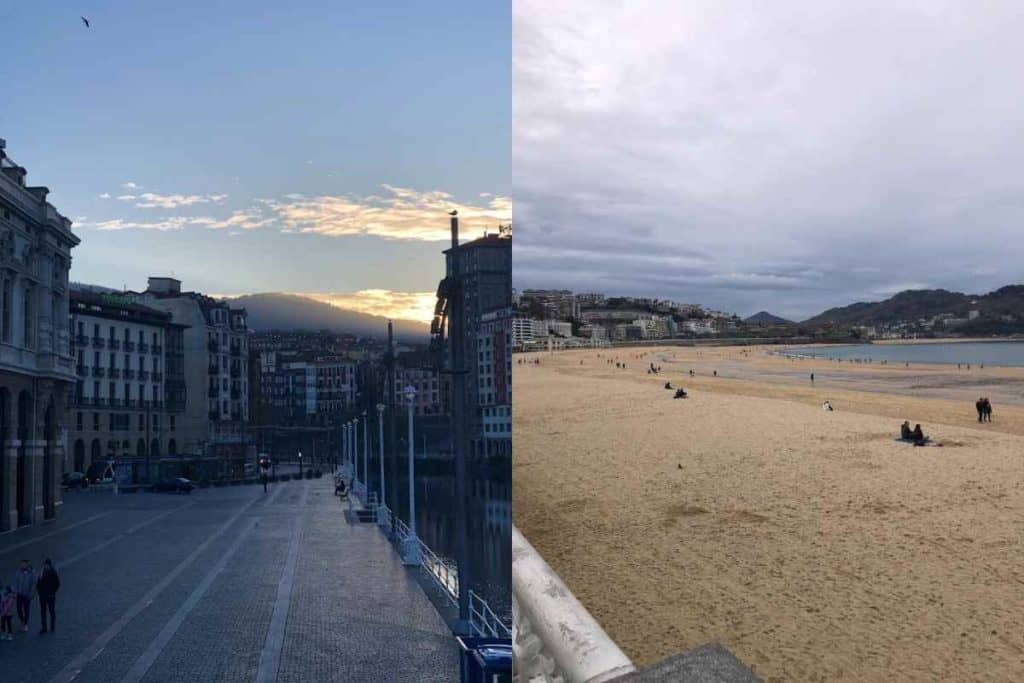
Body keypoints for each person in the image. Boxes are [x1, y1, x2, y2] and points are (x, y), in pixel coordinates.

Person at [35, 559, 59, 634]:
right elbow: (38, 583)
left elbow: (57, 583)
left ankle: (52, 627)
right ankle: (44, 628)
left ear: (49, 565)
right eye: (45, 565)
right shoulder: (42, 572)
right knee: (43, 612)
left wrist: (53, 592)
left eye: (46, 565)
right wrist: (39, 592)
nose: (45, 566)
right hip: (43, 595)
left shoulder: (53, 572)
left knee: (51, 611)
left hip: (50, 595)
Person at [13, 560, 34, 633]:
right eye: (22, 564)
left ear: (27, 565)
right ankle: (22, 621)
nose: (23, 566)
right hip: (19, 594)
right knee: (19, 609)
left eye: (24, 564)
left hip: (27, 595)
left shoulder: (31, 573)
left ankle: (25, 624)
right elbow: (15, 583)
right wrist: (15, 593)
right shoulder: (18, 572)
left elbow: (33, 584)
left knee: (26, 610)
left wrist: (31, 594)